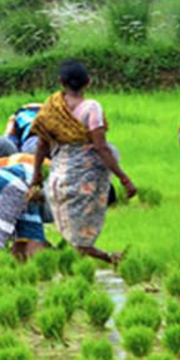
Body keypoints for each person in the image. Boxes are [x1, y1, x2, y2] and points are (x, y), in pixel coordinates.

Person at [29, 60, 136, 265]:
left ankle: (89, 260)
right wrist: (124, 178)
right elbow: (101, 147)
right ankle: (105, 259)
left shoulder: (50, 107)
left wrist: (37, 176)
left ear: (61, 82)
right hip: (84, 179)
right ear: (89, 81)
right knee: (81, 235)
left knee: (74, 232)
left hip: (58, 179)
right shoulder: (91, 108)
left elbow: (41, 145)